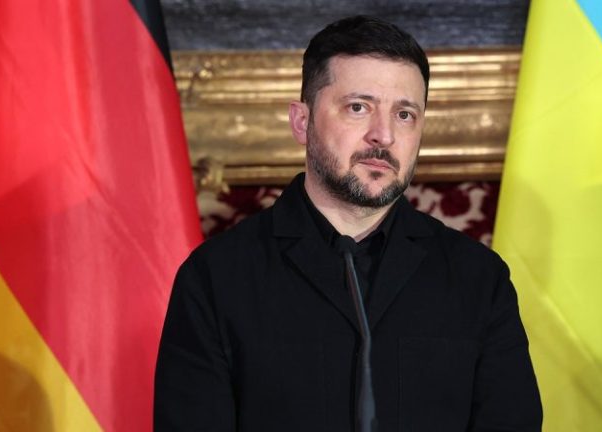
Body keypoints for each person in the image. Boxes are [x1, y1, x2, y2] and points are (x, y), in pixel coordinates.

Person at [154, 15, 542, 431]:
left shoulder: (478, 278)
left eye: (405, 114)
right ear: (301, 122)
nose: (383, 135)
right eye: (359, 107)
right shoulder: (215, 277)